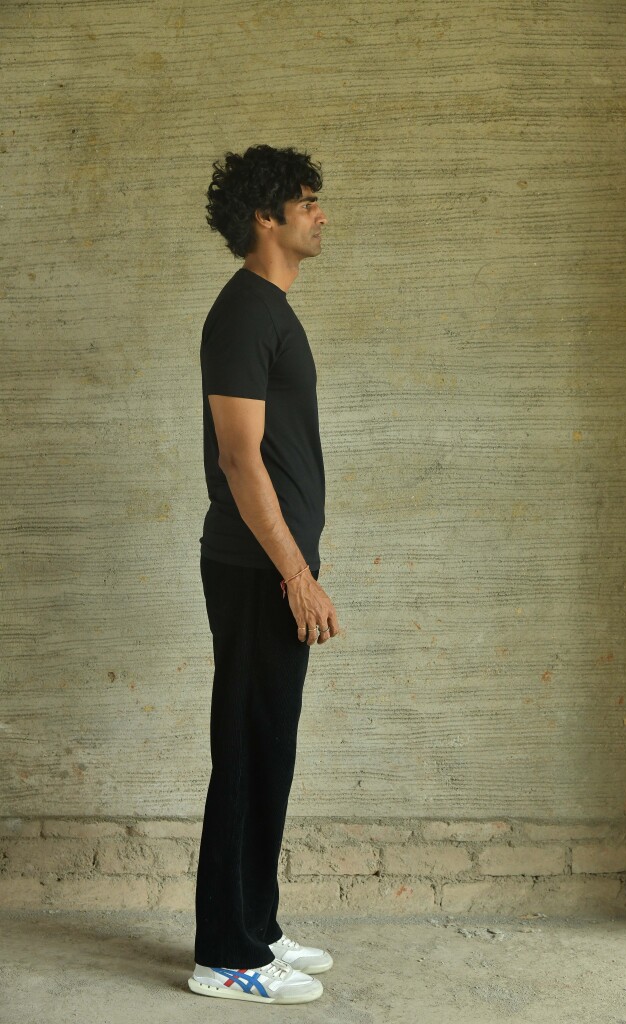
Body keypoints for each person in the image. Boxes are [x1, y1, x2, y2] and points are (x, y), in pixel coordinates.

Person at [188, 144, 341, 1005]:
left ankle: (257, 924)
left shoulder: (268, 309)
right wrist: (294, 574)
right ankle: (224, 953)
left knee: (268, 750)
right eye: (306, 201)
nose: (320, 214)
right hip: (255, 569)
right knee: (247, 753)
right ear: (264, 216)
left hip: (273, 567)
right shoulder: (244, 313)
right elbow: (240, 459)